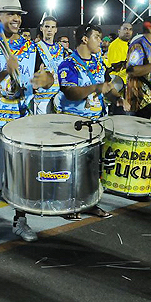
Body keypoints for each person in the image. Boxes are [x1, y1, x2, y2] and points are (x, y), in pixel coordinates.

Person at [0, 0, 54, 243]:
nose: (16, 19)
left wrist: (43, 80)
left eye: (18, 15)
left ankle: (20, 220)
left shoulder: (31, 48)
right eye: (10, 14)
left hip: (21, 120)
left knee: (22, 173)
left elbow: (47, 75)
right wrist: (4, 72)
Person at [55, 23, 119, 219]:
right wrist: (95, 87)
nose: (101, 41)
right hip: (75, 123)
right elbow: (71, 92)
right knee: (72, 166)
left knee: (94, 166)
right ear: (85, 39)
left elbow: (107, 84)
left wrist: (119, 97)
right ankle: (69, 204)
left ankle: (91, 203)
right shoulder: (68, 64)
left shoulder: (100, 62)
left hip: (96, 122)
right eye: (97, 37)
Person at [33, 15, 64, 114]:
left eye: (52, 27)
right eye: (47, 27)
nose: (49, 30)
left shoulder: (61, 49)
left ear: (56, 30)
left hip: (58, 96)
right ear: (41, 28)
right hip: (42, 97)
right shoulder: (34, 48)